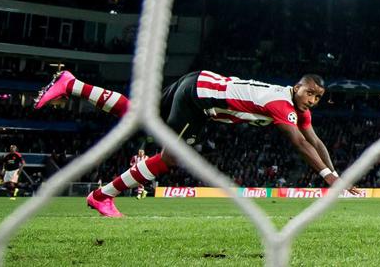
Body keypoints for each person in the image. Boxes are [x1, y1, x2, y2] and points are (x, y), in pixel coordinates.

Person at [34, 69, 334, 218]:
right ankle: (102, 195)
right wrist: (328, 178)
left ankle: (71, 84)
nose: (312, 100)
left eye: (317, 97)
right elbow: (299, 143)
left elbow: (314, 141)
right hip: (198, 100)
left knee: (138, 114)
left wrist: (336, 175)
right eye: (309, 93)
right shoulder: (281, 104)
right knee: (170, 158)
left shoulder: (298, 109)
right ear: (297, 87)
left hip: (199, 82)